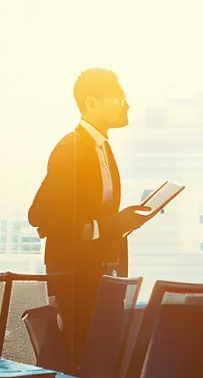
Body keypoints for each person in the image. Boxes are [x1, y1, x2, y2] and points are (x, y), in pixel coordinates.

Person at [28, 69, 154, 362]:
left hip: (102, 271)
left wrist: (123, 222)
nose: (127, 105)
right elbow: (40, 215)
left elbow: (96, 215)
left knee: (103, 360)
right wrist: (112, 224)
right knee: (81, 359)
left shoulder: (101, 147)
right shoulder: (71, 148)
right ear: (92, 103)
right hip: (76, 275)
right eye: (119, 99)